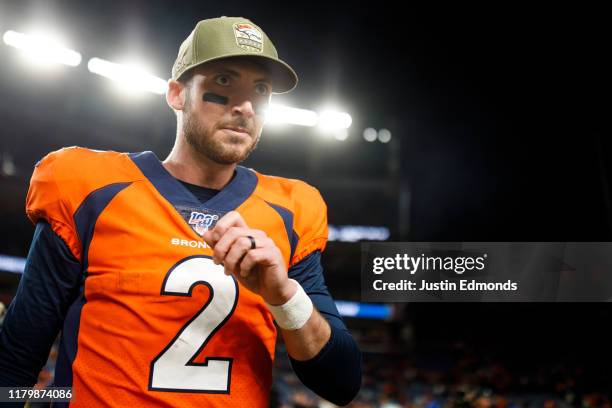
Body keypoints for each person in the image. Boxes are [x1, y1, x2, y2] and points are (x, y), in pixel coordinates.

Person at [0, 16, 361, 407]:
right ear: (176, 94)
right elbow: (15, 361)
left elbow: (341, 384)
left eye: (260, 90)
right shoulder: (93, 190)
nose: (244, 106)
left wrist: (284, 295)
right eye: (223, 82)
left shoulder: (290, 212)